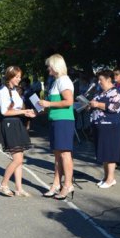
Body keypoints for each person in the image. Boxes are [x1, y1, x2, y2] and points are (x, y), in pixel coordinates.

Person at [38, 54, 75, 200]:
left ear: (55, 66)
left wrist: (48, 104)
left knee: (65, 154)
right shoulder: (56, 81)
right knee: (57, 154)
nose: (47, 69)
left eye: (49, 66)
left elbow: (68, 101)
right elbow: (53, 104)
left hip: (64, 120)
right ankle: (56, 183)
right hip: (55, 120)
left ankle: (67, 184)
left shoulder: (64, 80)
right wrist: (39, 109)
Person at [0, 66, 36, 197]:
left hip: (17, 123)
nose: (19, 79)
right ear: (10, 77)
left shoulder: (14, 91)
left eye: (20, 76)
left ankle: (19, 189)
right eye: (17, 77)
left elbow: (18, 108)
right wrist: (23, 111)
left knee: (20, 159)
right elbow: (4, 112)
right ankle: (3, 184)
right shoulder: (4, 91)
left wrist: (27, 113)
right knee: (17, 159)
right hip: (9, 124)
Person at [89, 69, 120, 189]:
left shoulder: (115, 92)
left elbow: (115, 107)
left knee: (110, 151)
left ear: (109, 79)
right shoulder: (101, 92)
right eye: (98, 79)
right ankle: (105, 177)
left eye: (101, 80)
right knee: (103, 151)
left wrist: (97, 105)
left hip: (111, 125)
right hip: (100, 125)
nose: (99, 82)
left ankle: (111, 179)